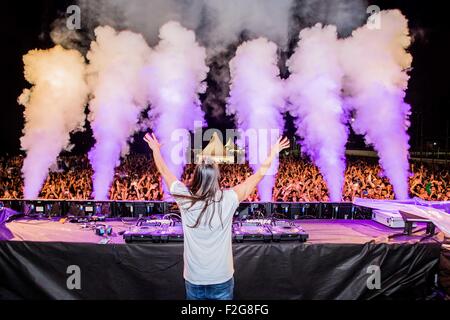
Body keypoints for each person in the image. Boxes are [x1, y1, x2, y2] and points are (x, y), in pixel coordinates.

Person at [143, 133, 290, 300]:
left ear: (196, 176)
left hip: (194, 278)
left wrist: (155, 150)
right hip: (221, 277)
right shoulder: (229, 198)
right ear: (217, 178)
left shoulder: (184, 198)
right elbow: (258, 176)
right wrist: (273, 152)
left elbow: (163, 170)